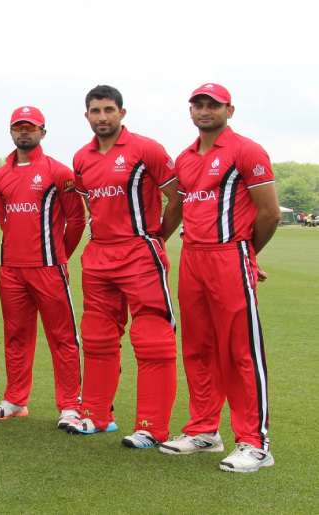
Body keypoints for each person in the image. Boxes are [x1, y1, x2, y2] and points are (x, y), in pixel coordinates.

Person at [159, 83, 280, 473]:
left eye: (213, 105)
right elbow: (178, 204)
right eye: (198, 104)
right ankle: (204, 430)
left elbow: (270, 213)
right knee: (197, 347)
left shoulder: (246, 150)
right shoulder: (185, 157)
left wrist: (246, 253)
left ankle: (255, 443)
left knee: (240, 351)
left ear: (230, 109)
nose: (205, 110)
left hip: (230, 255)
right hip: (193, 258)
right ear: (190, 110)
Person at [70, 85, 182, 449]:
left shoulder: (146, 149)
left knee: (152, 340)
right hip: (99, 255)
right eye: (95, 111)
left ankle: (152, 427)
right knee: (98, 338)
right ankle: (97, 416)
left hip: (139, 253)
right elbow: (93, 205)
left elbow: (176, 196)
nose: (102, 117)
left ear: (122, 112)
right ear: (86, 115)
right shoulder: (81, 157)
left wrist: (155, 235)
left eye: (108, 110)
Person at [0, 106, 85, 428]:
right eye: (18, 127)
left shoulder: (60, 172)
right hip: (11, 270)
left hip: (48, 268)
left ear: (43, 132)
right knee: (16, 335)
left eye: (31, 127)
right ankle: (16, 400)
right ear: (11, 131)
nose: (24, 132)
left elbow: (76, 219)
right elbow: (4, 220)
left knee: (63, 338)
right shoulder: (0, 176)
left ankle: (70, 406)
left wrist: (59, 256)